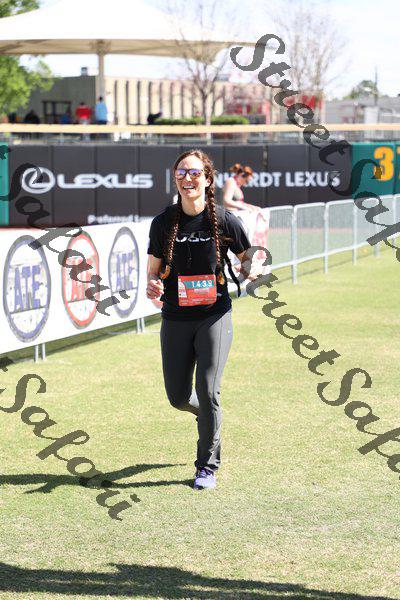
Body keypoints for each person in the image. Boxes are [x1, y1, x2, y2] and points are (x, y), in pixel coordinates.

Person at [146, 149, 261, 491]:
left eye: (195, 173)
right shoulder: (163, 222)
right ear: (175, 179)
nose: (188, 178)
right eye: (182, 173)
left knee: (208, 389)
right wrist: (151, 285)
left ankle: (206, 467)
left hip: (214, 316)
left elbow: (249, 258)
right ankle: (209, 416)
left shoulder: (224, 220)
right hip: (175, 317)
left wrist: (251, 269)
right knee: (178, 398)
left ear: (208, 180)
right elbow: (152, 272)